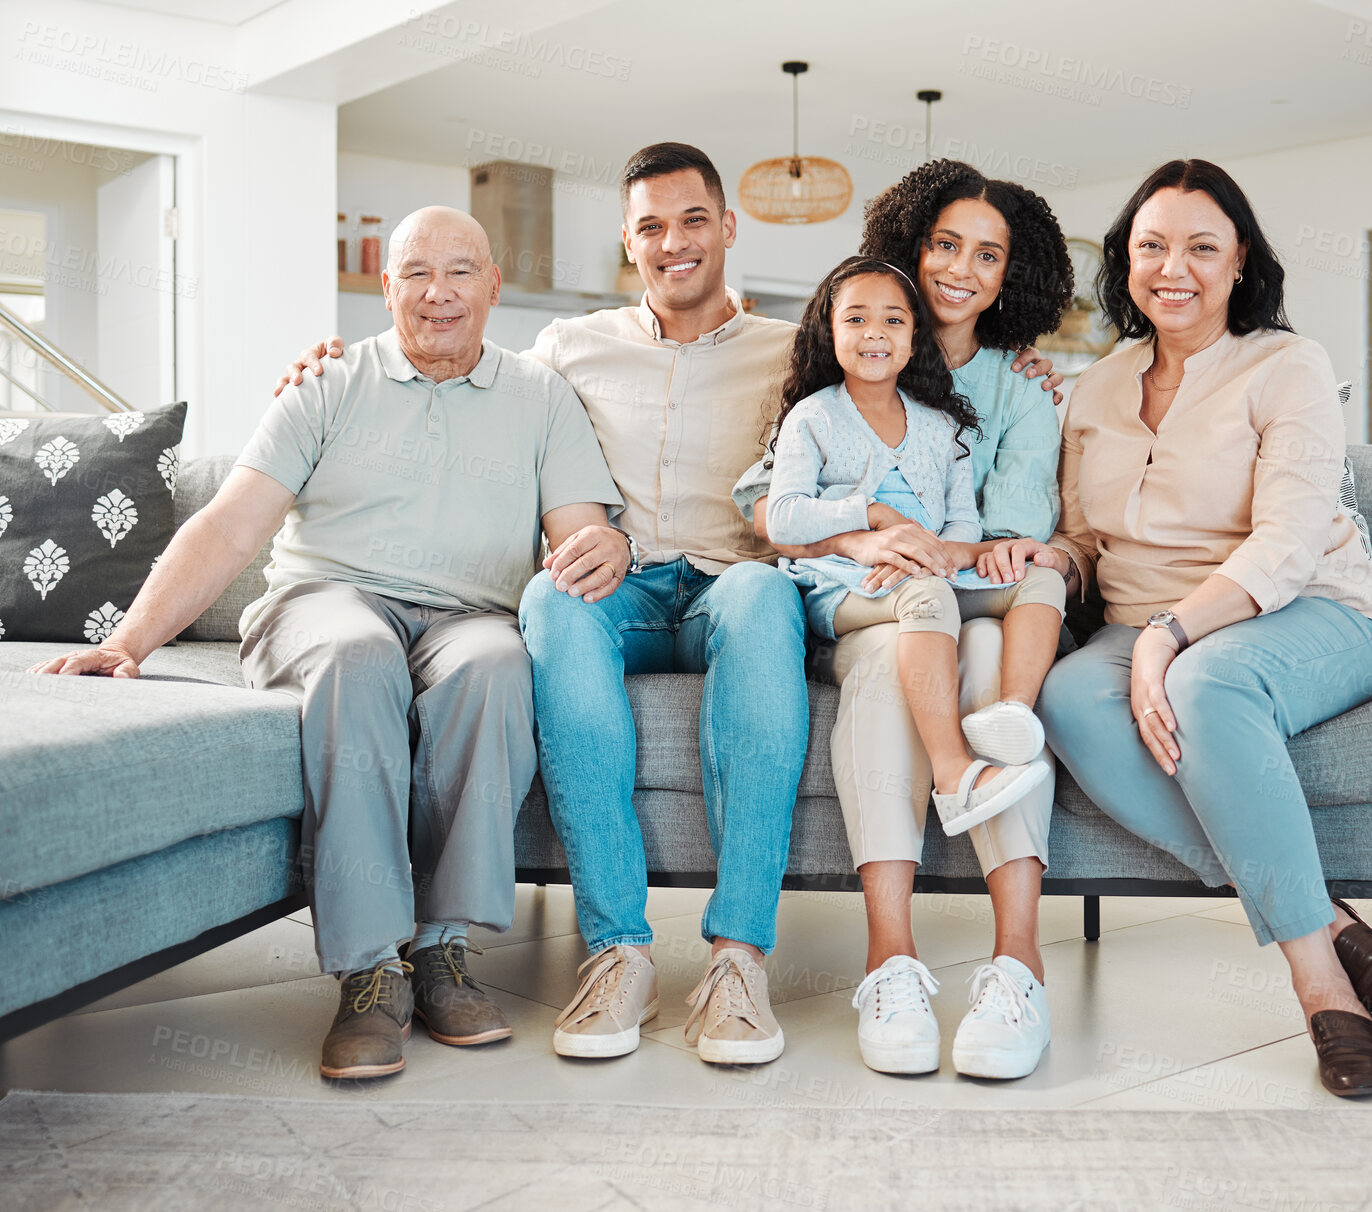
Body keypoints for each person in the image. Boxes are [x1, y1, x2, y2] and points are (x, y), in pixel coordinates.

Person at [276, 147, 1065, 1069]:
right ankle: (616, 948)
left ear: (728, 229)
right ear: (627, 242)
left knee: (765, 591)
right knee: (550, 598)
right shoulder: (564, 350)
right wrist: (336, 362)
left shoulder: (794, 350)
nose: (673, 242)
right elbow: (455, 357)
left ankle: (738, 958)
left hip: (739, 585)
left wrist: (1025, 371)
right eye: (650, 226)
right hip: (625, 585)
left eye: (693, 220)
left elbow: (883, 388)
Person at [36, 206, 625, 1081]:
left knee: (500, 664)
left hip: (470, 617)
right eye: (415, 273)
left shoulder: (540, 397)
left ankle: (439, 948)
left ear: (494, 286)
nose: (438, 292)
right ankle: (367, 969)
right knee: (357, 653)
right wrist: (129, 641)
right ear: (385, 288)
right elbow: (233, 523)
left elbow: (576, 531)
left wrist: (603, 543)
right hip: (326, 601)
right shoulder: (328, 383)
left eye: (460, 271)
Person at [1022, 159, 1372, 1097]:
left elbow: (1288, 542)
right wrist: (1053, 559)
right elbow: (1086, 540)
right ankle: (1323, 915)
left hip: (1307, 611)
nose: (1175, 267)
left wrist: (1170, 634)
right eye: (1152, 245)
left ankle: (1322, 987)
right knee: (1068, 695)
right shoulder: (1094, 389)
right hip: (1138, 621)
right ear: (1124, 260)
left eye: (1203, 247)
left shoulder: (1288, 364)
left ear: (1240, 262)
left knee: (1207, 683)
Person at [741, 160, 1075, 1081]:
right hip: (870, 591)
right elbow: (763, 500)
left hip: (961, 586)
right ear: (908, 250)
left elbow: (997, 529)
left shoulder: (1014, 390)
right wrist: (872, 528)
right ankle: (891, 957)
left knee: (988, 634)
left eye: (989, 255)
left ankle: (1018, 961)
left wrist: (979, 552)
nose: (960, 269)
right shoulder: (838, 361)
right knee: (900, 651)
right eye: (942, 244)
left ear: (1016, 275)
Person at [765, 255, 1063, 854]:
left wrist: (959, 554)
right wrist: (870, 515)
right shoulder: (813, 417)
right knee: (926, 595)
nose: (875, 333)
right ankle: (955, 775)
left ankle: (1012, 714)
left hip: (924, 577)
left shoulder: (941, 426)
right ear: (829, 331)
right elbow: (782, 517)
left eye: (894, 321)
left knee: (1040, 578)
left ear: (914, 339)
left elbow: (960, 526)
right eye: (856, 319)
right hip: (840, 588)